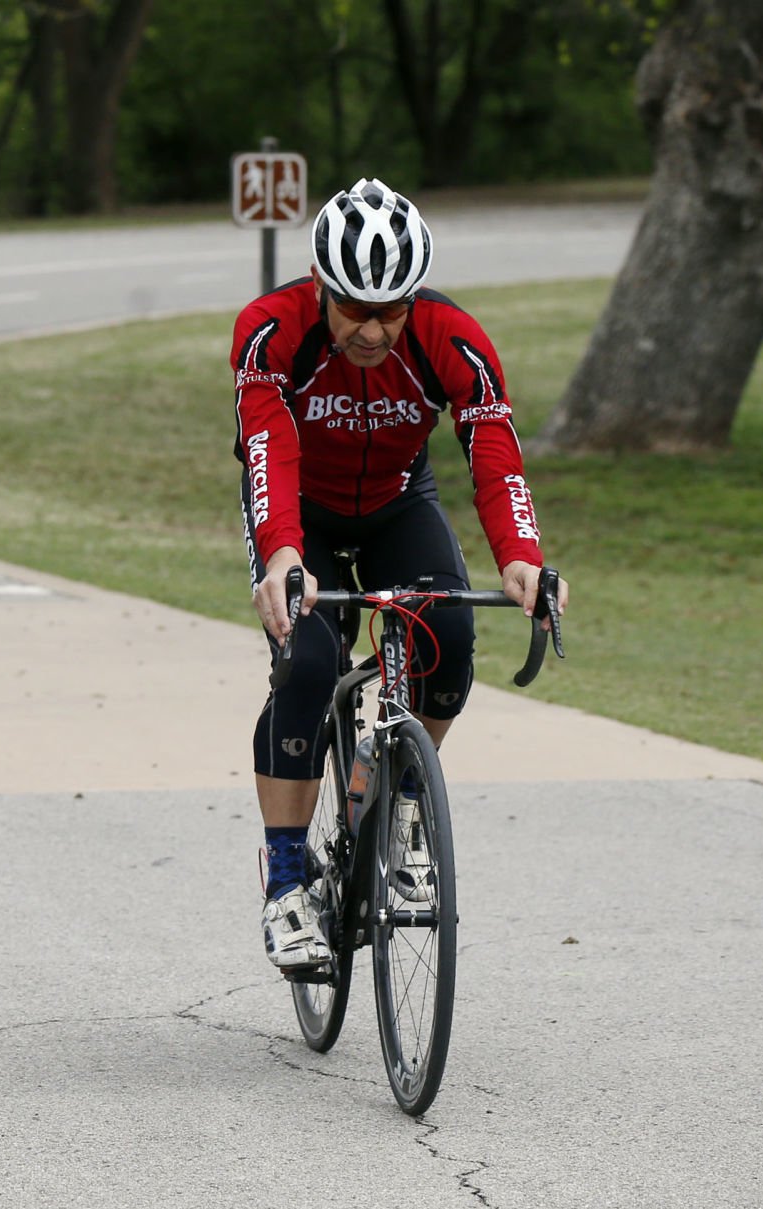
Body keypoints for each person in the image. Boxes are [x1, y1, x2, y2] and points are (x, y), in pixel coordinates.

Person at [230, 177, 569, 971]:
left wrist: (520, 555)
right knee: (308, 663)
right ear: (322, 289)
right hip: (300, 510)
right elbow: (267, 446)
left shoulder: (453, 336)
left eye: (392, 309)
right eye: (355, 309)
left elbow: (492, 449)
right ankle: (284, 883)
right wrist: (281, 552)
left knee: (448, 632)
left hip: (394, 500)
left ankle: (402, 800)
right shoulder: (270, 330)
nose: (375, 330)